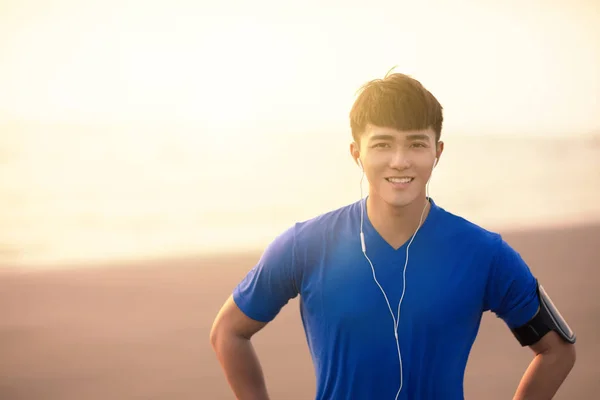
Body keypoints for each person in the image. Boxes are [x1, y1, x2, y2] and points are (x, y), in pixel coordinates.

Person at [209, 72, 577, 400]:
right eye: (383, 144)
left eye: (417, 144)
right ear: (357, 153)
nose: (400, 160)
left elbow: (558, 351)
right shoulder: (305, 246)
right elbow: (228, 331)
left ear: (438, 152)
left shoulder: (484, 254)